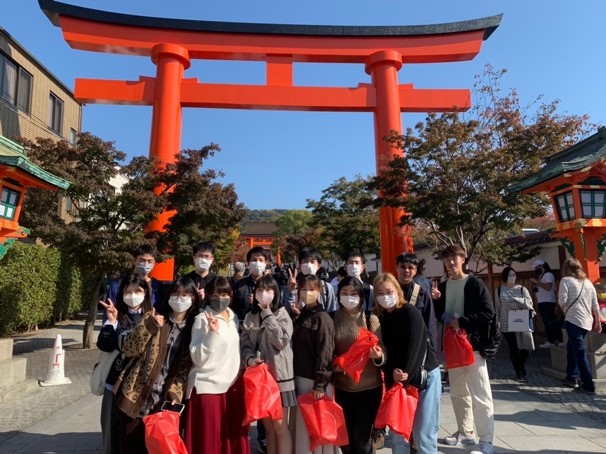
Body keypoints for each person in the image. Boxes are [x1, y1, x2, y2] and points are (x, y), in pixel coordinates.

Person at [115, 277, 200, 453]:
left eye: (185, 295)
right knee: (132, 446)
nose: (179, 298)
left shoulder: (194, 328)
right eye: (175, 293)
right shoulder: (153, 317)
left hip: (164, 402)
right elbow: (129, 348)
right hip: (136, 394)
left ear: (193, 298)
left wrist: (175, 396)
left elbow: (184, 368)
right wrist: (149, 326)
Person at [433, 245, 495, 454]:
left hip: (472, 345)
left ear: (463, 259)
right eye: (447, 259)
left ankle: (486, 440)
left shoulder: (474, 283)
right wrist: (436, 301)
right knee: (458, 392)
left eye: (454, 258)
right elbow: (439, 315)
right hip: (452, 346)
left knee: (480, 393)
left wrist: (463, 322)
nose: (450, 262)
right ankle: (465, 432)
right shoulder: (443, 285)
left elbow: (488, 312)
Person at [375, 273, 441, 454]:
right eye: (380, 293)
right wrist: (392, 372)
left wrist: (403, 374)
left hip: (423, 376)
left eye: (388, 291)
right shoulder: (383, 317)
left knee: (423, 435)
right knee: (398, 435)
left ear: (397, 290)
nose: (385, 296)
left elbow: (416, 348)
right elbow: (388, 352)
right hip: (399, 381)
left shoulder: (409, 312)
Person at [185, 276, 250, 453]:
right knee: (209, 444)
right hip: (208, 388)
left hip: (231, 388)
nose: (220, 298)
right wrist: (212, 334)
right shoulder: (202, 319)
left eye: (224, 294)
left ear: (231, 295)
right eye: (215, 294)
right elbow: (197, 358)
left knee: (229, 442)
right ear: (207, 295)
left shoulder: (233, 317)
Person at [97, 275, 153, 454]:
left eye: (137, 291)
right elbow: (105, 345)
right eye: (127, 292)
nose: (132, 295)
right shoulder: (117, 316)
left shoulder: (152, 318)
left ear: (146, 293)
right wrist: (111, 321)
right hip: (114, 383)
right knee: (112, 429)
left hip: (139, 386)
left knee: (135, 433)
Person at [241, 275, 296, 454]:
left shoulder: (282, 314)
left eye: (268, 290)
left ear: (275, 293)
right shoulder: (250, 316)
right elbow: (245, 344)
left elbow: (281, 340)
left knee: (280, 426)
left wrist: (267, 313)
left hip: (280, 377)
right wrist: (250, 359)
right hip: (261, 379)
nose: (263, 294)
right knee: (268, 428)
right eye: (259, 290)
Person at [333, 276, 385, 454]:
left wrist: (378, 356)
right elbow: (327, 352)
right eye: (345, 293)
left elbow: (383, 351)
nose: (349, 297)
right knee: (346, 441)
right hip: (342, 388)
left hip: (369, 388)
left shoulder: (371, 319)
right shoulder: (332, 319)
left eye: (353, 293)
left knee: (361, 439)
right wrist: (334, 365)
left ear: (361, 297)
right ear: (338, 295)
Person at [291, 274, 336, 454]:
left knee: (317, 429)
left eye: (312, 289)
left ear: (319, 291)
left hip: (315, 381)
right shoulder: (302, 315)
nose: (307, 293)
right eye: (303, 289)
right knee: (305, 428)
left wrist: (320, 384)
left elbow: (326, 353)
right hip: (301, 378)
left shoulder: (322, 318)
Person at [558, 258, 602, 394]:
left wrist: (565, 308)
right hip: (586, 321)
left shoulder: (565, 281)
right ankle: (571, 376)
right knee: (572, 347)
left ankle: (587, 383)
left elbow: (562, 300)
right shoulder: (588, 283)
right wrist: (598, 321)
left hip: (573, 319)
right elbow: (595, 303)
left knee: (579, 351)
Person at [495, 267, 535, 381]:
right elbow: (497, 307)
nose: (512, 277)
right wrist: (497, 322)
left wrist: (518, 300)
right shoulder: (499, 291)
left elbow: (529, 303)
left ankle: (519, 365)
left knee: (526, 348)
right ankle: (520, 372)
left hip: (521, 320)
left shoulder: (522, 289)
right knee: (513, 348)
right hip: (506, 322)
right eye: (510, 275)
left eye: (514, 274)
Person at [395, 253, 438, 354]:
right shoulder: (387, 291)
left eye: (410, 268)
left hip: (416, 347)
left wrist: (432, 352)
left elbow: (430, 323)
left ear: (415, 271)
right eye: (403, 266)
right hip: (393, 345)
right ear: (396, 267)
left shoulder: (422, 293)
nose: (406, 270)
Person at [284, 247, 337, 314]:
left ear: (318, 266)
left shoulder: (326, 287)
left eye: (312, 261)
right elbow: (286, 311)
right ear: (300, 265)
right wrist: (290, 292)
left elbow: (331, 312)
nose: (309, 265)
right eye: (305, 261)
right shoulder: (293, 286)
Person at [233, 246, 271, 324]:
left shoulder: (271, 285)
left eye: (261, 260)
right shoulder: (239, 285)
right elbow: (234, 308)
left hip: (264, 326)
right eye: (254, 260)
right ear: (248, 263)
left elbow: (277, 307)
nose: (257, 263)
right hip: (243, 326)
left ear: (266, 263)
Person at [530, 259, 561, 348]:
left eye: (536, 267)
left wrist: (536, 282)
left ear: (541, 266)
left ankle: (558, 339)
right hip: (542, 301)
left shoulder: (548, 275)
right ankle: (551, 340)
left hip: (548, 301)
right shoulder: (541, 276)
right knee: (546, 322)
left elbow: (548, 287)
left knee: (550, 321)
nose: (535, 269)